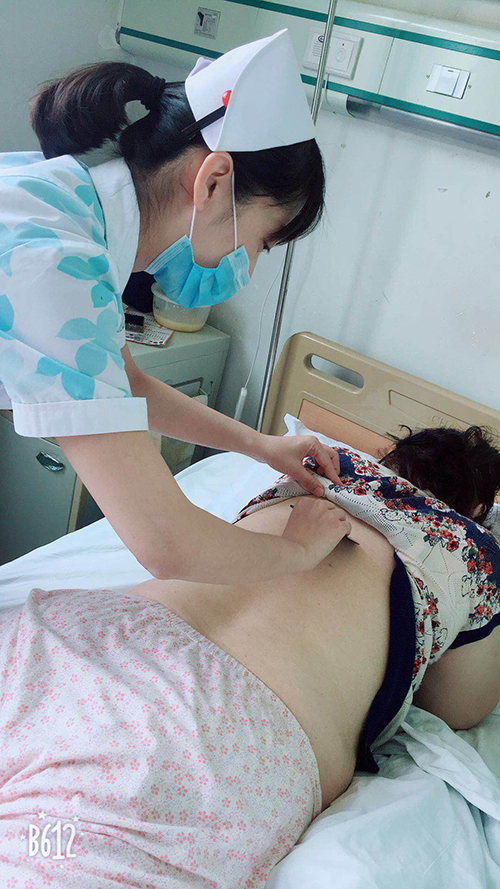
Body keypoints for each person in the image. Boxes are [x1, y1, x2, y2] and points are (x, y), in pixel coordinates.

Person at [1, 424, 498, 886]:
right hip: (232, 736)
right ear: (478, 507)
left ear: (389, 459)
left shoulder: (324, 468)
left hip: (93, 641)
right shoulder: (476, 552)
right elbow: (459, 708)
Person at [0, 29, 343, 582]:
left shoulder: (58, 201)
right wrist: (298, 552)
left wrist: (261, 446)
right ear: (213, 183)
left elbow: (129, 383)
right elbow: (168, 546)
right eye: (263, 241)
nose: (250, 266)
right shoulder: (59, 265)